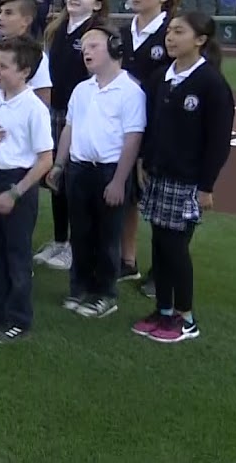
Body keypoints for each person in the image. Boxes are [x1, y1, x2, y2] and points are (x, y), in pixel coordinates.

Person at [132, 12, 234, 344]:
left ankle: (186, 318)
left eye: (179, 32)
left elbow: (218, 141)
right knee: (159, 245)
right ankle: (163, 311)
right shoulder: (162, 77)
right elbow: (151, 124)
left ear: (200, 40)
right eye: (169, 31)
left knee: (176, 248)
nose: (170, 37)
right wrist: (144, 158)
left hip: (186, 180)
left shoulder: (211, 84)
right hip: (158, 174)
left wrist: (206, 186)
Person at [46, 26, 145, 320]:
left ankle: (104, 293)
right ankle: (79, 287)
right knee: (82, 234)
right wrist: (59, 164)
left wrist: (118, 181)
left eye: (94, 45)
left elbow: (132, 139)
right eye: (84, 46)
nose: (86, 51)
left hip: (109, 171)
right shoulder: (82, 89)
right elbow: (70, 129)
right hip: (78, 169)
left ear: (114, 49)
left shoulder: (130, 91)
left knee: (107, 237)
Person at [0, 36, 55, 344]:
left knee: (17, 256)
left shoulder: (34, 108)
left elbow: (46, 159)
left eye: (3, 67)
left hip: (18, 182)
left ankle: (19, 317)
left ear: (24, 71)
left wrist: (16, 192)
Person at [37, 0, 110, 271]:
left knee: (75, 179)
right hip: (55, 110)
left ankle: (77, 247)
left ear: (97, 4)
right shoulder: (57, 30)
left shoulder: (98, 33)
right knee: (56, 178)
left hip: (81, 113)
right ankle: (59, 240)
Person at [120, 0, 181, 293]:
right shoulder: (123, 30)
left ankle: (162, 273)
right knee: (127, 196)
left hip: (158, 128)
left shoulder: (171, 32)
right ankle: (127, 260)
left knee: (159, 203)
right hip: (124, 126)